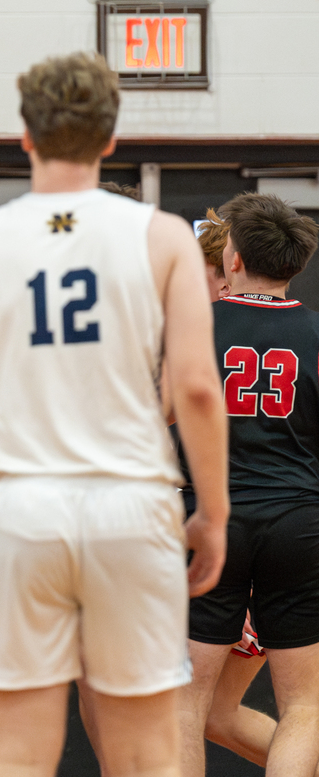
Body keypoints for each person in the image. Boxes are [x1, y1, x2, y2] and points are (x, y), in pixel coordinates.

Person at [0, 53, 229, 777]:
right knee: (148, 757)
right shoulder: (165, 236)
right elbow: (199, 391)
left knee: (19, 759)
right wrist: (212, 511)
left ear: (25, 134)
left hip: (20, 507)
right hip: (134, 505)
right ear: (109, 139)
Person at [177, 193, 319, 777]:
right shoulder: (313, 332)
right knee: (304, 707)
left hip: (213, 520)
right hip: (298, 521)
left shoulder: (193, 327)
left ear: (231, 259)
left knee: (185, 706)